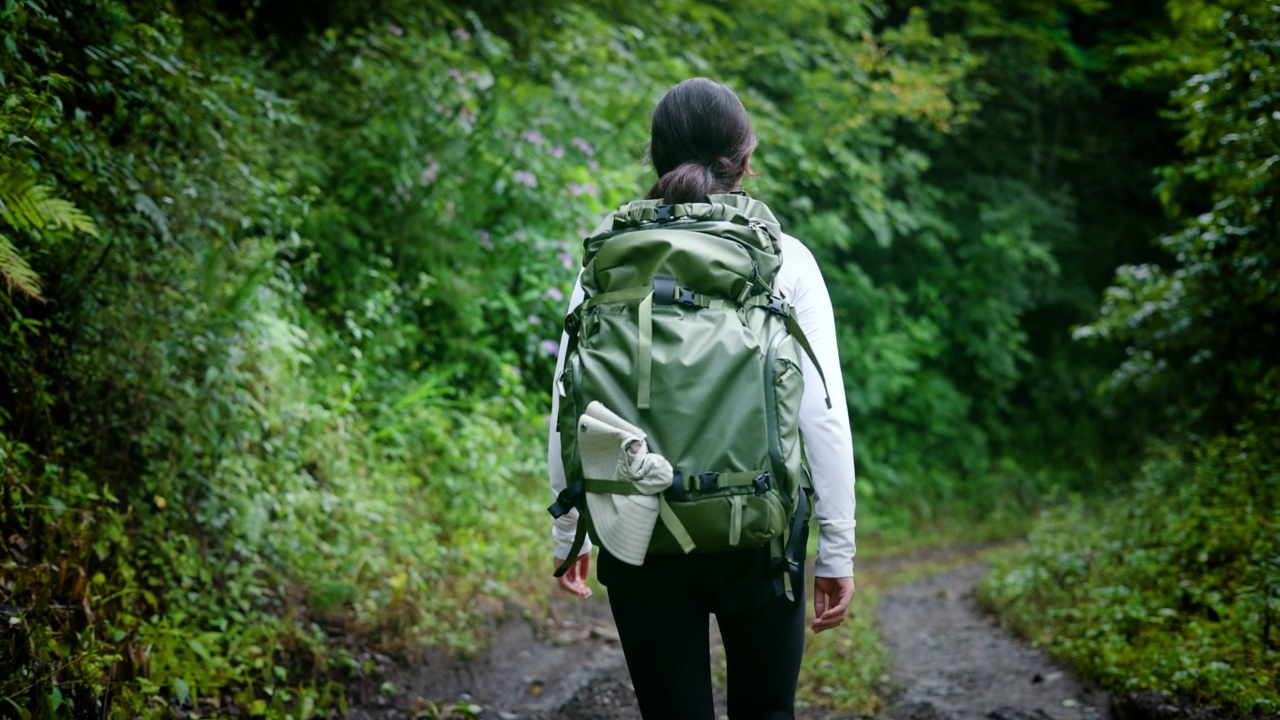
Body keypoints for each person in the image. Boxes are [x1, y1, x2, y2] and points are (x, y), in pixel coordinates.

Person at [546, 77, 857, 720]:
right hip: (760, 534)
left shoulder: (606, 260)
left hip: (635, 526)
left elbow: (569, 401)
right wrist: (837, 547)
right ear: (744, 159)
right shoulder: (783, 259)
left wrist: (569, 529)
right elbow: (822, 413)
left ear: (655, 156)